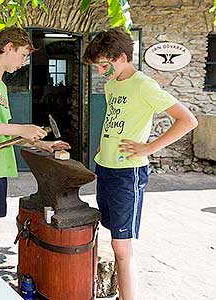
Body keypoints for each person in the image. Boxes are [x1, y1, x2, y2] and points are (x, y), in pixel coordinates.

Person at [83, 27, 198, 300]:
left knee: (122, 247)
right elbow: (116, 118)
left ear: (122, 57)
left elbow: (187, 120)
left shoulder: (144, 85)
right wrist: (105, 143)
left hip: (128, 173)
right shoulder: (112, 85)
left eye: (103, 65)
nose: (100, 72)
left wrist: (149, 147)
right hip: (106, 167)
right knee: (114, 239)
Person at [0, 26, 69, 254]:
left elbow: (2, 132)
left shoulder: (0, 84)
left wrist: (41, 143)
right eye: (23, 55)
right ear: (8, 48)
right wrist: (23, 127)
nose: (23, 62)